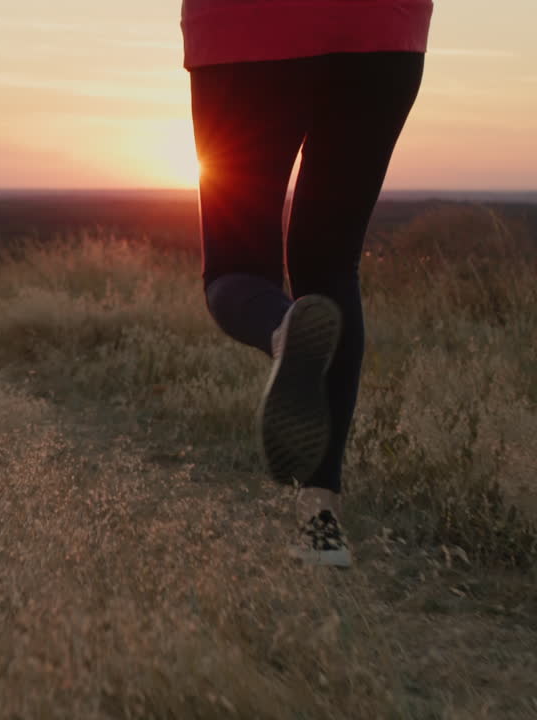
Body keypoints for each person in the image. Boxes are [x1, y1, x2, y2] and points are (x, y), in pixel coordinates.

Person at [181, 0, 433, 567]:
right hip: (384, 32)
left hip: (245, 30)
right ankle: (322, 526)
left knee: (235, 270)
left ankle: (283, 326)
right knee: (329, 263)